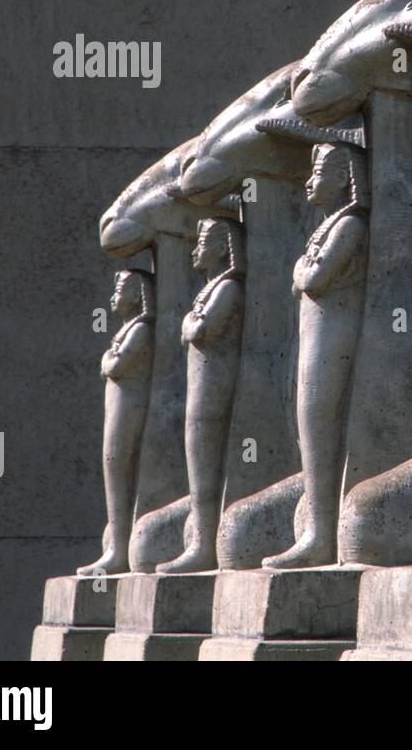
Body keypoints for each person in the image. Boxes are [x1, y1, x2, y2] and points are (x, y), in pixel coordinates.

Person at [263, 141, 370, 568]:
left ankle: (322, 533)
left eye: (319, 171)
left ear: (345, 176)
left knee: (320, 420)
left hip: (335, 347)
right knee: (307, 422)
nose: (309, 181)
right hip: (314, 348)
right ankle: (316, 527)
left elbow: (314, 275)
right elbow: (306, 274)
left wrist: (302, 271)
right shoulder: (326, 228)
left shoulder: (349, 226)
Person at [156, 218, 245, 573]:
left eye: (203, 241)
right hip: (200, 390)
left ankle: (205, 542)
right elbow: (191, 328)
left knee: (207, 452)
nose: (195, 249)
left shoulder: (228, 288)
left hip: (215, 388)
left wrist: (192, 325)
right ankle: (200, 538)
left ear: (223, 247)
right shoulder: (210, 290)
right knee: (196, 451)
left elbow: (200, 328)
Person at [78, 269, 156, 575]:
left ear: (137, 294)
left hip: (129, 409)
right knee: (113, 463)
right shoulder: (128, 330)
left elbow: (115, 363)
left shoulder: (140, 330)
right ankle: (116, 546)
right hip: (118, 407)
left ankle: (120, 549)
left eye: (121, 289)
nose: (114, 296)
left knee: (119, 461)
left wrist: (109, 360)